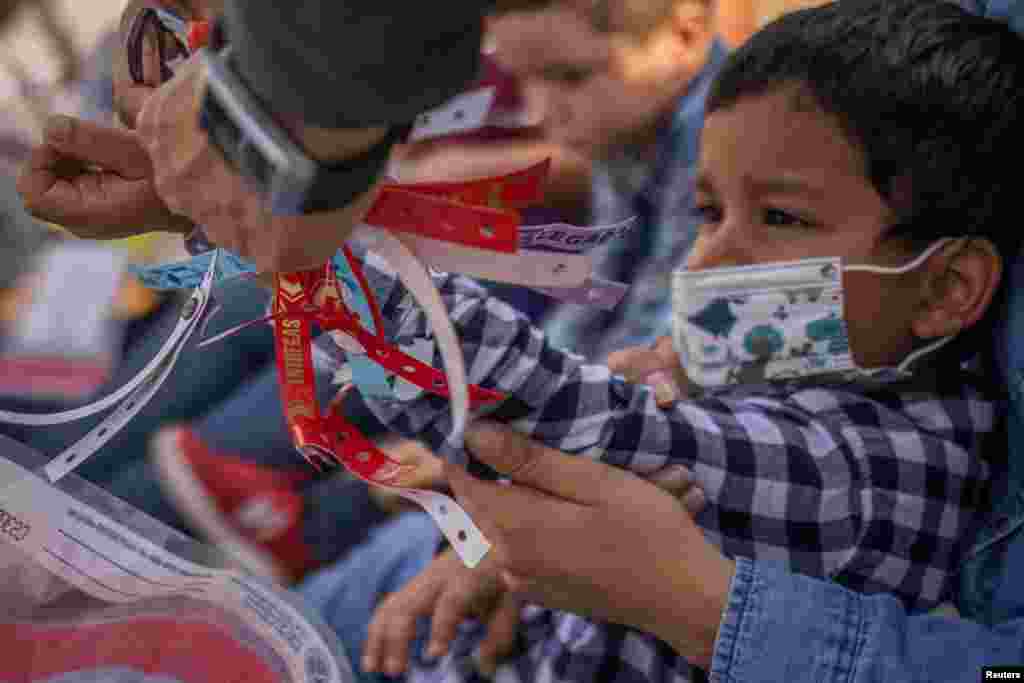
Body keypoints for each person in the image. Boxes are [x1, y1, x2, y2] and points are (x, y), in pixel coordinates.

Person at [13, 3, 1024, 683]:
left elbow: (564, 414)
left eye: (784, 223)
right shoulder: (802, 364)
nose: (711, 258)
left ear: (947, 287)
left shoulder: (873, 465)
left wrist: (284, 219)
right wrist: (239, 201)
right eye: (709, 210)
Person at [488, 0, 727, 360]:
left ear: (684, 36)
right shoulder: (626, 130)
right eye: (523, 77)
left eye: (572, 77)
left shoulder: (719, 138)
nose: (541, 111)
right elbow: (598, 293)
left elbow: (661, 339)